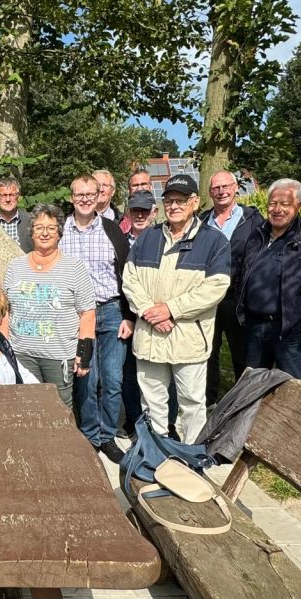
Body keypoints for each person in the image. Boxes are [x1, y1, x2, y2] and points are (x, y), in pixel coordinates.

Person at [122, 175, 231, 444]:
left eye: (180, 201)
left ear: (194, 203)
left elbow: (216, 287)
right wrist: (149, 310)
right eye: (169, 200)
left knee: (192, 402)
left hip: (188, 339)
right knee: (152, 400)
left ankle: (193, 457)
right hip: (150, 337)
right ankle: (156, 453)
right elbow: (130, 278)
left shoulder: (213, 242)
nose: (173, 206)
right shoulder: (148, 237)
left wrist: (171, 309)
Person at [236, 179, 301, 379]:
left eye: (285, 204)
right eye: (272, 203)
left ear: (300, 205)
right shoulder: (256, 236)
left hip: (290, 331)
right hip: (255, 328)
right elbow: (243, 276)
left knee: (290, 389)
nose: (277, 209)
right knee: (252, 386)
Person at [60, 174, 133, 463]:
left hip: (112, 310)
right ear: (71, 197)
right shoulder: (61, 231)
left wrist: (130, 316)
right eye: (80, 195)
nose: (86, 199)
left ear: (100, 194)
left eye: (92, 193)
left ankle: (107, 436)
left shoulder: (111, 230)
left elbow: (127, 275)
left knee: (113, 379)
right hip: (77, 316)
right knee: (86, 380)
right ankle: (90, 434)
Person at [2, 203, 95, 410]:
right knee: (26, 408)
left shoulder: (74, 268)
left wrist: (84, 353)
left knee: (59, 410)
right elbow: (5, 312)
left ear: (59, 233)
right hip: (21, 354)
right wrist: (3, 347)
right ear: (32, 232)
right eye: (39, 228)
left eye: (51, 228)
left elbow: (87, 312)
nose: (45, 233)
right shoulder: (15, 267)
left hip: (59, 357)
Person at [198, 171, 263, 406]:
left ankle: (242, 402)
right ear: (210, 192)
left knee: (241, 352)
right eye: (216, 188)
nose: (221, 191)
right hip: (207, 298)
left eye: (226, 186)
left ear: (236, 188)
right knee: (208, 351)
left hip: (238, 298)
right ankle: (209, 400)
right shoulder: (202, 221)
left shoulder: (253, 220)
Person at [120, 190, 178, 439]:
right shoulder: (120, 239)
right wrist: (133, 315)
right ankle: (136, 422)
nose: (140, 215)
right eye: (136, 211)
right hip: (130, 315)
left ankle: (168, 425)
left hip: (165, 318)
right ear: (129, 213)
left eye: (146, 210)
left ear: (155, 212)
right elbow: (123, 281)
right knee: (132, 374)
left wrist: (162, 313)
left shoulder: (169, 240)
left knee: (168, 376)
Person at [0, 177, 32, 252]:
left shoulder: (31, 221)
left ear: (18, 197)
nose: (8, 200)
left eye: (12, 195)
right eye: (4, 195)